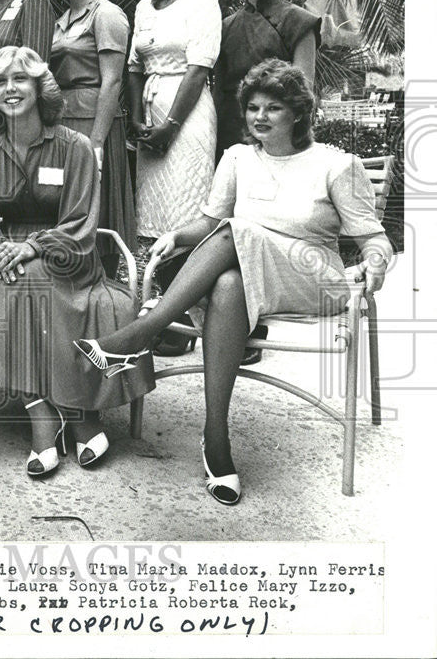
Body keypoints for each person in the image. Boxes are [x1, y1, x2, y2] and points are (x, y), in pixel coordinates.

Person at [76, 59, 392, 505]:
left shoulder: (336, 165)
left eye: (274, 108)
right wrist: (176, 236)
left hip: (314, 280)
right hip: (247, 275)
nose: (260, 117)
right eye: (253, 108)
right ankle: (216, 440)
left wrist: (376, 264)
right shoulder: (238, 158)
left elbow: (373, 239)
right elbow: (207, 221)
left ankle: (138, 335)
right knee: (225, 283)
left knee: (236, 231)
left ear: (299, 113)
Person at [0, 46, 154, 479]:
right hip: (1, 249)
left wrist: (33, 247)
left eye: (19, 79)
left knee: (33, 275)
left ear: (39, 87)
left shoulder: (74, 147)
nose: (10, 89)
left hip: (66, 251)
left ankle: (71, 412)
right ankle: (46, 413)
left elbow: (81, 219)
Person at [48, 0, 135, 277]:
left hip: (93, 122)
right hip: (63, 121)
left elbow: (113, 80)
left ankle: (105, 293)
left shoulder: (107, 14)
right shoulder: (60, 20)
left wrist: (96, 143)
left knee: (98, 210)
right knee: (66, 206)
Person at [127, 0, 222, 238]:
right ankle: (159, 285)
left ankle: (188, 284)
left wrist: (171, 125)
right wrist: (138, 122)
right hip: (151, 121)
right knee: (155, 211)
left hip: (186, 117)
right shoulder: (143, 8)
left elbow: (198, 69)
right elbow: (134, 68)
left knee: (186, 206)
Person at [215, 0, 322, 160]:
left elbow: (304, 91)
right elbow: (218, 91)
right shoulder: (224, 27)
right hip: (229, 133)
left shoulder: (300, 21)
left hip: (280, 137)